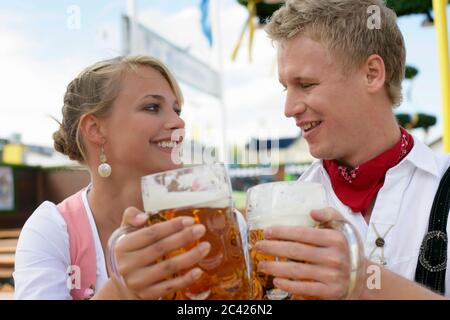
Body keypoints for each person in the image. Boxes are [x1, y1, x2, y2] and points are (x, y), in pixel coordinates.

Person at [255, 0, 450, 299]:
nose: (288, 108)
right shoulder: (289, 204)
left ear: (372, 73)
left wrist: (363, 281)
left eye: (305, 84)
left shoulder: (443, 184)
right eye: (286, 87)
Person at [14, 56, 213, 299]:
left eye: (177, 110)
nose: (178, 122)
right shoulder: (52, 230)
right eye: (152, 107)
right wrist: (120, 291)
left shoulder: (210, 218)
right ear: (95, 129)